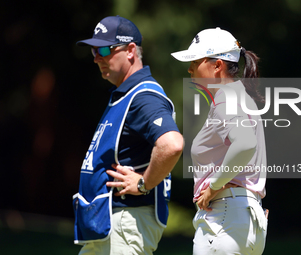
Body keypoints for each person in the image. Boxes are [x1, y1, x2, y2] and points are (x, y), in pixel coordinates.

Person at [73, 15, 184, 255]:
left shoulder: (143, 96)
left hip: (125, 224)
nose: (97, 58)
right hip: (110, 226)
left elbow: (172, 144)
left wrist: (144, 183)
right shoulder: (124, 95)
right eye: (94, 52)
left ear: (131, 50)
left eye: (104, 49)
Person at [171, 27, 268, 255]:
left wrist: (213, 186)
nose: (190, 68)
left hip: (224, 220)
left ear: (217, 65)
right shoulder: (243, 97)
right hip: (247, 221)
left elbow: (245, 145)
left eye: (196, 61)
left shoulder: (226, 97)